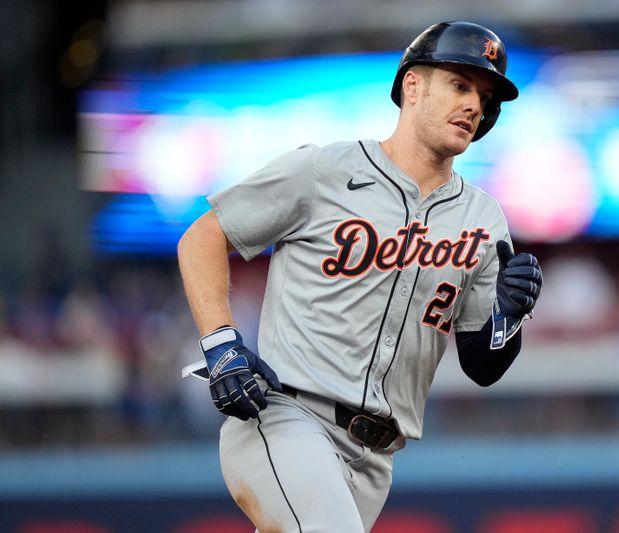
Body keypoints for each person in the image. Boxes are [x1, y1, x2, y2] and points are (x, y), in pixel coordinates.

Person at [177, 21, 543, 533]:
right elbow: (204, 236)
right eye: (460, 85)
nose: (474, 106)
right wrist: (220, 342)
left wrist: (509, 316)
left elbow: (482, 365)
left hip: (376, 458)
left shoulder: (484, 219)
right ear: (412, 86)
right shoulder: (326, 170)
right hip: (287, 418)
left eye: (484, 96)